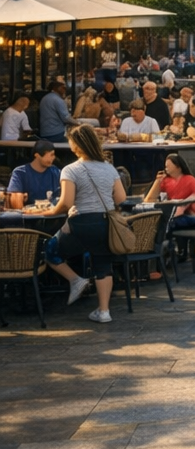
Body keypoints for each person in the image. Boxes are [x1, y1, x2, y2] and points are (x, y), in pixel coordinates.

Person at [43, 126, 125, 322]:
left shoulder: (71, 170)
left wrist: (51, 211)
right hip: (105, 223)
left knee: (50, 250)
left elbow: (66, 203)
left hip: (80, 224)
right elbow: (121, 197)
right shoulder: (108, 167)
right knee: (103, 265)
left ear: (76, 145)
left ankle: (75, 279)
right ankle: (104, 312)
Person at [6, 139, 60, 210]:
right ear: (37, 155)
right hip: (27, 215)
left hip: (52, 215)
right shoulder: (20, 172)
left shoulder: (56, 172)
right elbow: (14, 197)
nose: (53, 158)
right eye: (51, 155)